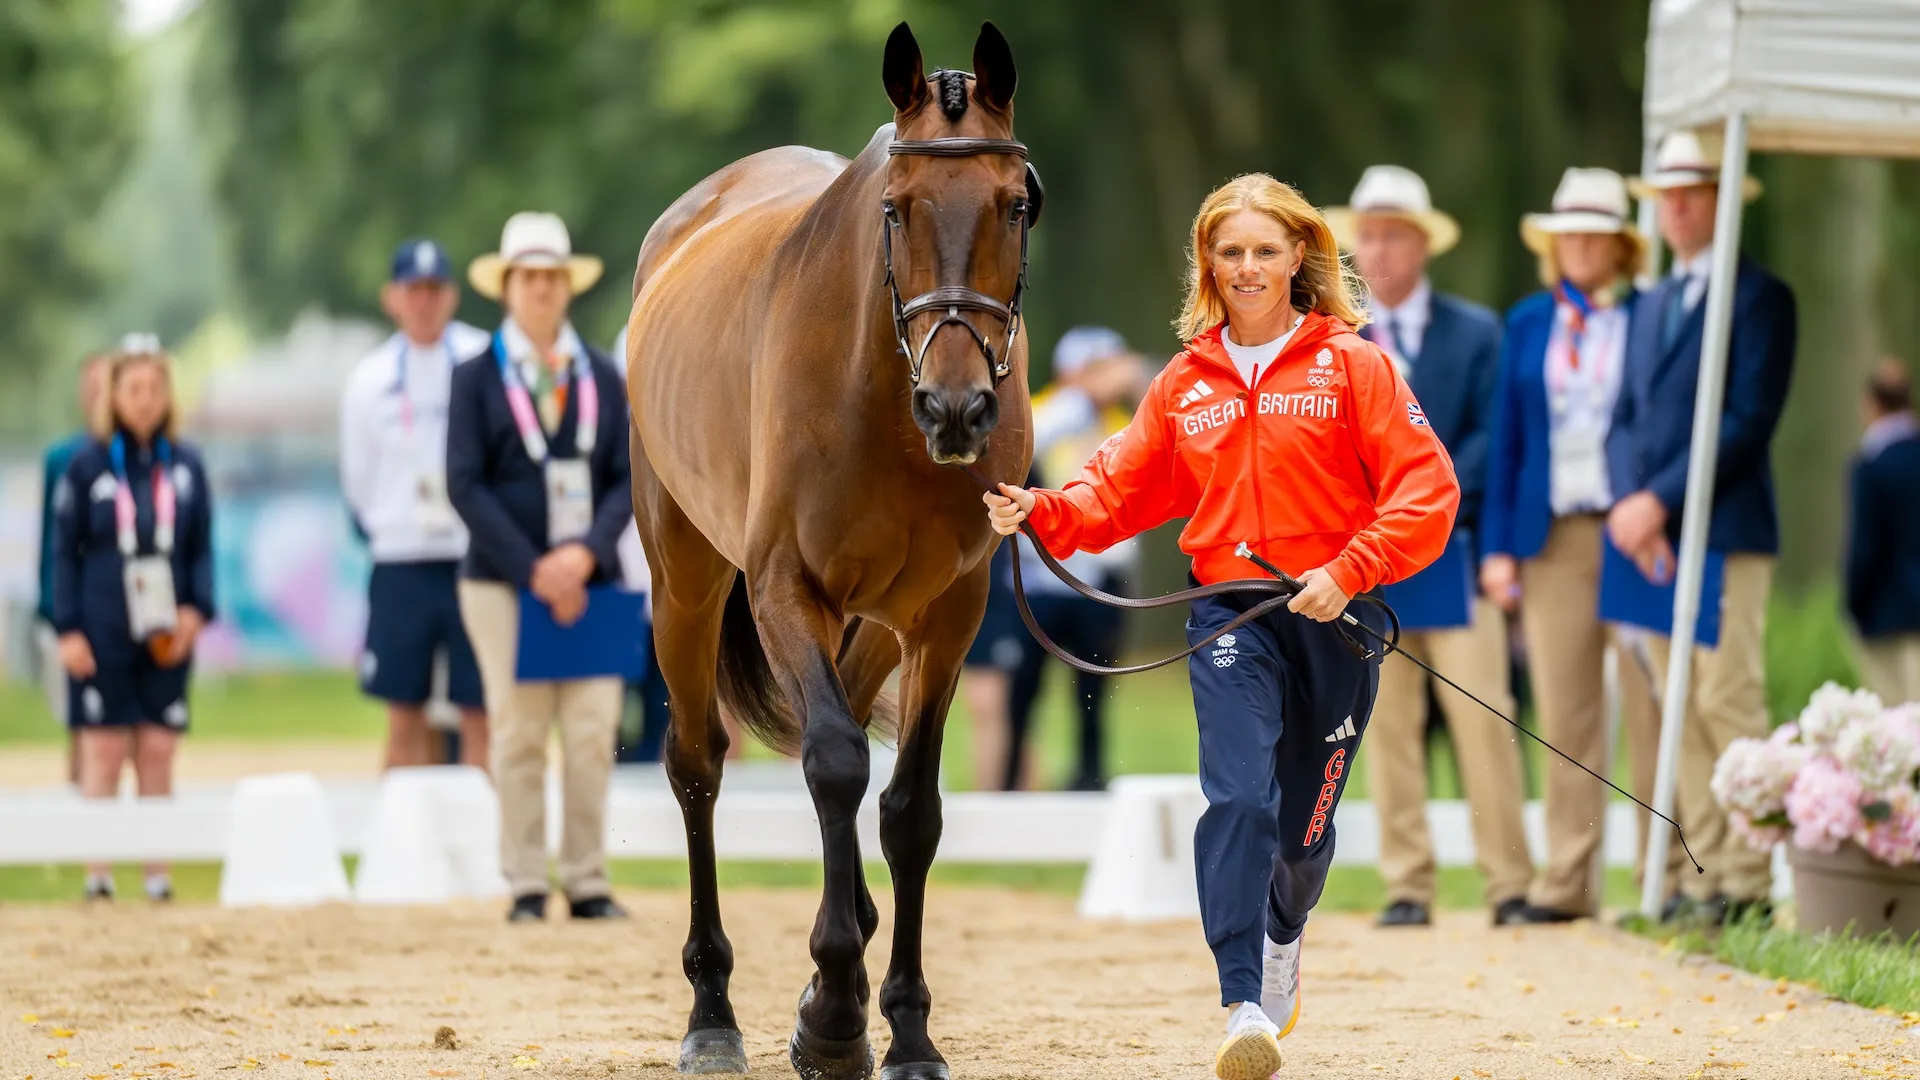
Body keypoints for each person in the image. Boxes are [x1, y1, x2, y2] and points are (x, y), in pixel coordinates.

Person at [985, 173, 1458, 1080]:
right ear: (1208, 262)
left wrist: (1350, 569)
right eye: (1230, 251)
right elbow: (1115, 489)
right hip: (1228, 614)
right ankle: (1242, 996)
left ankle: (1285, 933)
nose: (1246, 267)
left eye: (1264, 251)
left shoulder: (1354, 365)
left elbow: (1427, 491)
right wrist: (1039, 508)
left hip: (1338, 615)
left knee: (1302, 835)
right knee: (1238, 798)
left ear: (1298, 260)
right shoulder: (1185, 382)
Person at [1327, 164, 1532, 928]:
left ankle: (1509, 881)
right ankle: (1407, 883)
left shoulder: (1478, 333)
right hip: (1371, 562)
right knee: (1389, 726)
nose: (1378, 251)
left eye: (1392, 236)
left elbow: (1491, 434)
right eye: (1368, 236)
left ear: (1421, 244)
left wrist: (1423, 493)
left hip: (1456, 551)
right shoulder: (1338, 340)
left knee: (1486, 719)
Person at [1609, 128, 1797, 924]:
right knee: (1676, 698)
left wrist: (1660, 499)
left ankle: (1752, 882)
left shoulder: (1760, 297)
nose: (1678, 208)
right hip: (1653, 538)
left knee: (1726, 695)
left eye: (1693, 193)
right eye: (1667, 197)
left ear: (1723, 202)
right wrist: (1631, 505)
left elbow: (1747, 419)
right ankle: (1709, 874)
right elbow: (1623, 416)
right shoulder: (1649, 304)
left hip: (1723, 527)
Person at [1482, 167, 1662, 921]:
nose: (1580, 245)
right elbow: (1506, 441)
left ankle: (1663, 880)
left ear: (1621, 245)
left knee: (1652, 702)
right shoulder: (1527, 322)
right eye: (1568, 235)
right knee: (1566, 710)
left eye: (1595, 233)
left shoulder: (1651, 316)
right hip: (1550, 537)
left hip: (1634, 530)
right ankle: (1569, 879)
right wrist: (1497, 547)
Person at [448, 211, 633, 922]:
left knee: (591, 732)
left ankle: (587, 878)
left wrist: (584, 554)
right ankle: (526, 879)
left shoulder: (604, 376)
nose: (541, 290)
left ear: (567, 287)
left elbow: (626, 478)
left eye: (552, 277)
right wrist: (536, 570)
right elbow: (465, 483)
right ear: (507, 287)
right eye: (528, 277)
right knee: (519, 730)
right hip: (502, 583)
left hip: (591, 583)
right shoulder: (475, 379)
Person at [50, 335, 216, 902]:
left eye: (155, 388)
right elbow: (61, 553)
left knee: (159, 748)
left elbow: (200, 549)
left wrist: (197, 611)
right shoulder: (85, 464)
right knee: (103, 748)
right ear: (112, 394)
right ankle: (98, 875)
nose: (145, 400)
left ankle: (157, 876)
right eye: (133, 389)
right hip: (102, 629)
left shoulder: (187, 464)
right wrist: (67, 628)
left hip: (166, 628)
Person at [340, 238, 494, 770]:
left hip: (472, 557)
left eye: (434, 289)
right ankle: (398, 848)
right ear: (392, 298)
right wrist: (394, 527)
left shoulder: (481, 357)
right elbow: (357, 480)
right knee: (403, 715)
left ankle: (484, 848)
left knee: (481, 713)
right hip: (401, 562)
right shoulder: (369, 378)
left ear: (451, 296)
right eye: (413, 289)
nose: (424, 301)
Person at [1001, 325, 1151, 792]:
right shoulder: (1046, 410)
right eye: (1096, 369)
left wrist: (1135, 376)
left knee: (1094, 692)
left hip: (1102, 580)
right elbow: (1037, 439)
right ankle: (1011, 781)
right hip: (1043, 579)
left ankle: (1088, 778)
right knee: (1024, 691)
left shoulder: (1124, 419)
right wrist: (1086, 396)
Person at [36, 351, 111, 784]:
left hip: (118, 608)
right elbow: (52, 542)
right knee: (81, 720)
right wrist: (54, 610)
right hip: (74, 606)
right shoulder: (64, 458)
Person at [1843, 359, 1920, 704]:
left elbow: (1864, 549)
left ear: (1871, 403)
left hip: (1887, 617)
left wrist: (1853, 605)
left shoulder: (1871, 467)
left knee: (1898, 732)